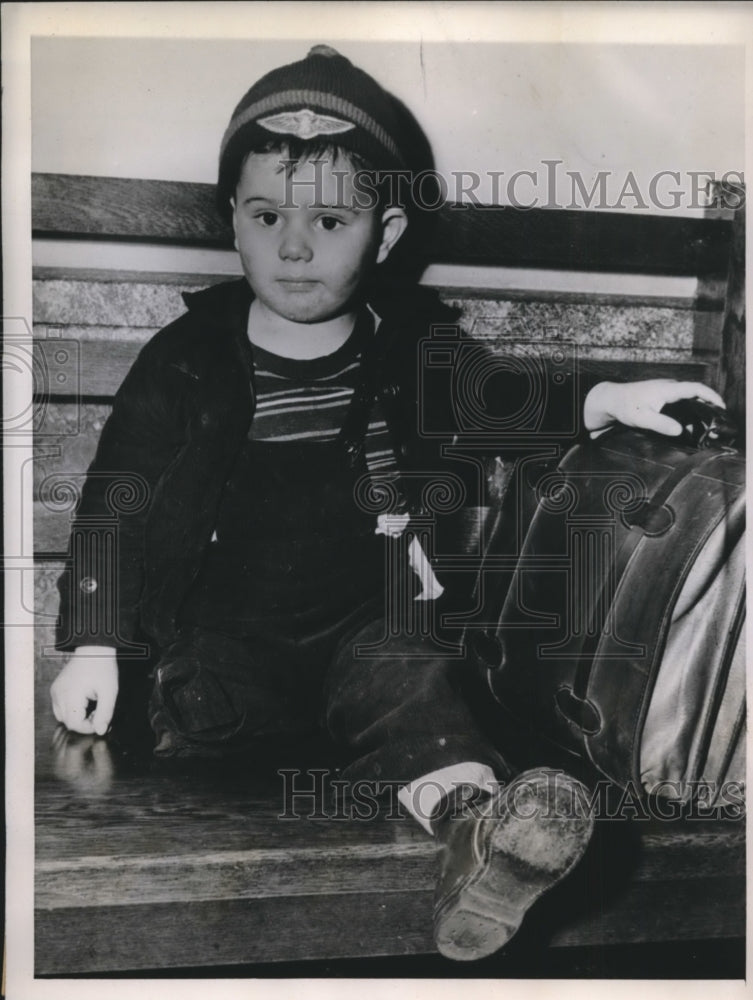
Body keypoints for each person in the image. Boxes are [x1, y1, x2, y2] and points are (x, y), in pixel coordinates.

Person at [49, 45, 725, 961]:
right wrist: (96, 643)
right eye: (265, 216)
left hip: (361, 632)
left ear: (387, 231)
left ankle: (478, 837)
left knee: (415, 685)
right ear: (232, 226)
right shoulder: (187, 358)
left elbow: (493, 403)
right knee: (212, 705)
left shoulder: (408, 348)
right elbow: (115, 502)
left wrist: (606, 399)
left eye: (330, 218)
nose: (294, 246)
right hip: (218, 656)